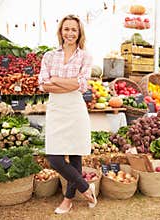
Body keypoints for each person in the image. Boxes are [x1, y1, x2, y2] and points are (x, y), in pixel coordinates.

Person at [38, 14, 96, 214]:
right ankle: (86, 187)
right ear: (60, 32)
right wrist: (66, 84)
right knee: (55, 158)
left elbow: (81, 85)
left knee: (75, 155)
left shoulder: (85, 56)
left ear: (79, 33)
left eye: (74, 29)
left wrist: (56, 80)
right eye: (66, 29)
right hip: (56, 109)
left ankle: (68, 199)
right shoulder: (49, 56)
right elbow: (43, 85)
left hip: (75, 109)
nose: (70, 33)